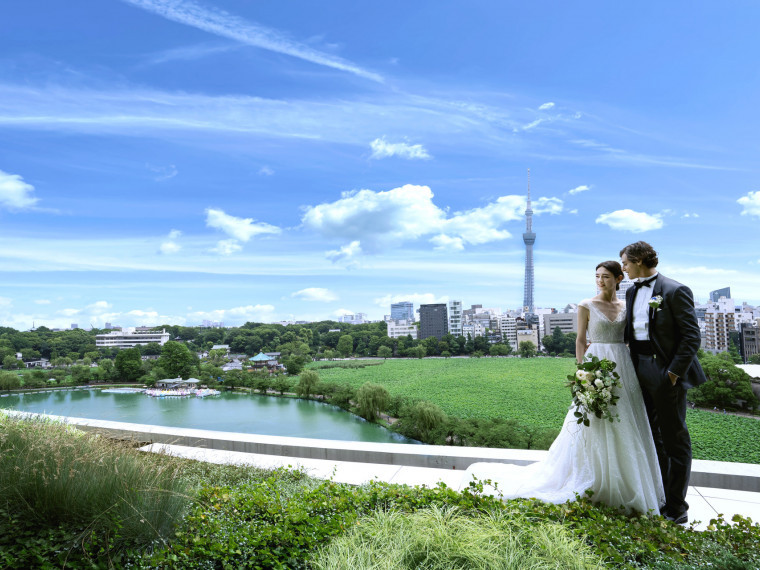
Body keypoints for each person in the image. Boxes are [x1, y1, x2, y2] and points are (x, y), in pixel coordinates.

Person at [459, 261, 664, 515]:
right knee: (592, 419)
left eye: (606, 277)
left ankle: (623, 482)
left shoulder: (627, 305)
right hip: (595, 363)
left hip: (622, 365)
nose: (600, 281)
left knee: (625, 421)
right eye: (597, 276)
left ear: (619, 278)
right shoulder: (586, 305)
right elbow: (580, 340)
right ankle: (593, 478)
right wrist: (582, 372)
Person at [620, 241, 707, 525]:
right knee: (651, 436)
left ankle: (677, 507)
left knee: (674, 439)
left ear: (641, 260)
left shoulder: (674, 290)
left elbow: (691, 337)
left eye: (626, 263)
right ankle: (660, 497)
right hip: (639, 369)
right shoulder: (632, 291)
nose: (623, 268)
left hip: (665, 371)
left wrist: (672, 374)